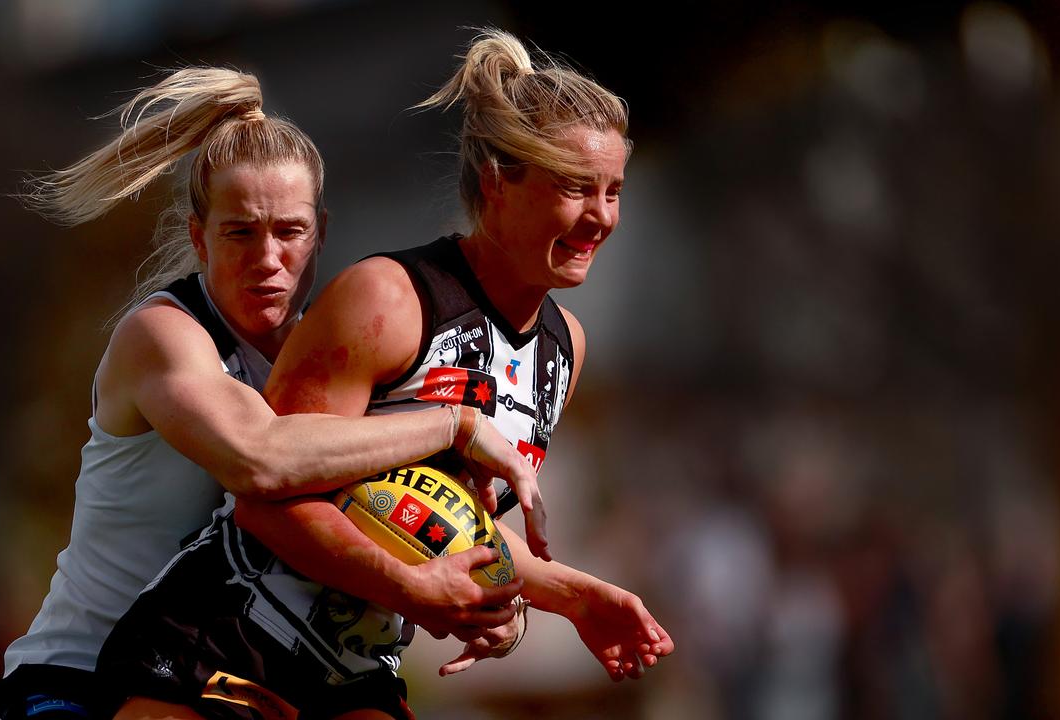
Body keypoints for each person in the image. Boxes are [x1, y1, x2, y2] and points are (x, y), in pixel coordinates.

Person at [97, 29, 674, 720]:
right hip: (226, 642)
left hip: (354, 674)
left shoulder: (563, 349)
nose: (600, 218)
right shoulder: (389, 299)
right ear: (497, 181)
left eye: (613, 191)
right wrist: (411, 588)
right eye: (576, 188)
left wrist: (561, 597)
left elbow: (444, 516)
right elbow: (265, 498)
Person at [0, 66, 543, 720]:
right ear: (199, 237)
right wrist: (455, 424)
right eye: (240, 232)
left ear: (322, 233)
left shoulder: (336, 366)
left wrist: (501, 601)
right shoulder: (163, 337)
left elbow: (423, 511)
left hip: (242, 682)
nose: (267, 257)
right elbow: (262, 459)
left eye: (289, 231)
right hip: (80, 682)